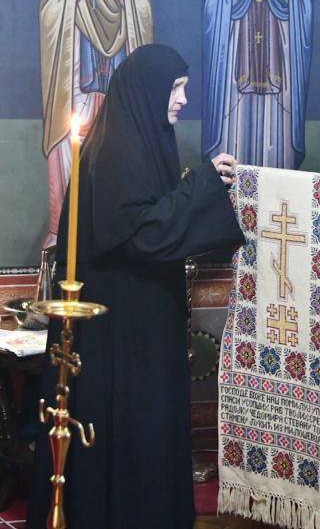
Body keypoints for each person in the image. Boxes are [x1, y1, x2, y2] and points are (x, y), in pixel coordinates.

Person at [27, 44, 244, 529]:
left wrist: (204, 187)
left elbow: (155, 219)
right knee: (124, 431)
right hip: (118, 335)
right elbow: (145, 233)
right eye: (176, 88)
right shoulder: (116, 152)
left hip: (138, 325)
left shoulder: (141, 142)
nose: (183, 99)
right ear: (148, 91)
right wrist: (202, 185)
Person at [40, 0, 153, 249]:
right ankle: (65, 232)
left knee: (117, 141)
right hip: (78, 75)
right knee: (71, 138)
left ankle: (114, 229)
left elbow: (142, 8)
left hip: (116, 72)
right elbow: (49, 9)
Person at [202, 0, 312, 170]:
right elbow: (211, 6)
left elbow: (304, 3)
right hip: (236, 70)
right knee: (236, 136)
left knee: (275, 140)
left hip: (278, 66)